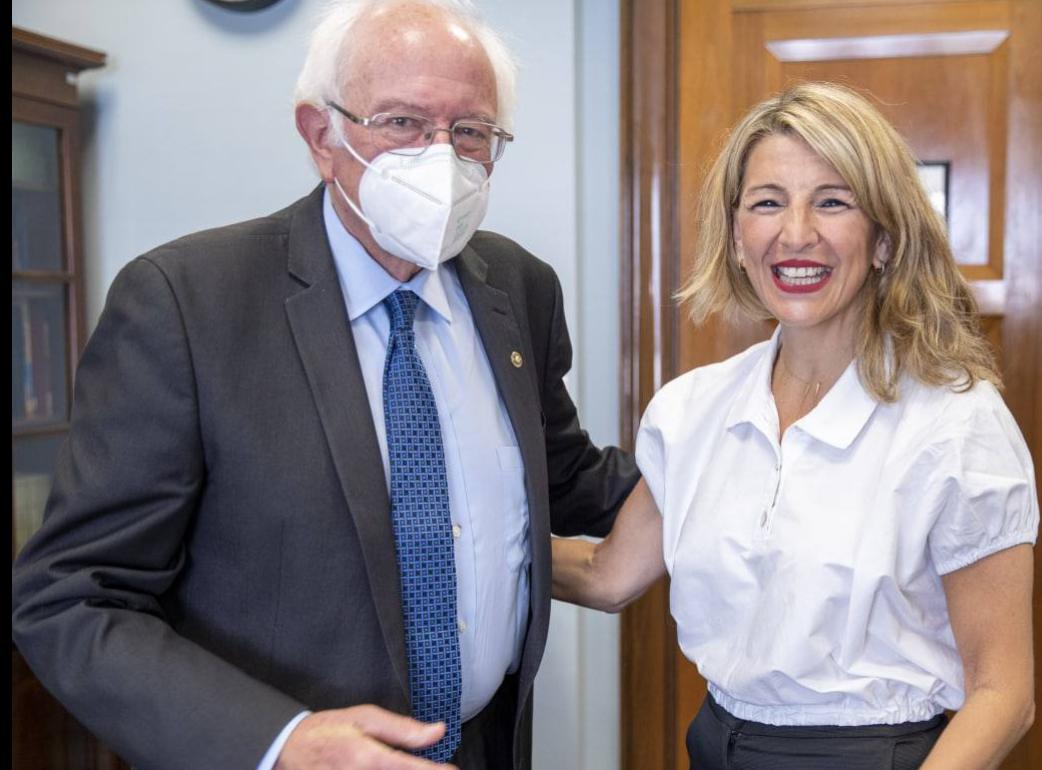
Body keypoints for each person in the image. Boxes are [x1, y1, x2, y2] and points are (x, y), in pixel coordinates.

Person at [10, 1, 638, 769]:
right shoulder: (187, 303)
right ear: (321, 136)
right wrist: (278, 743)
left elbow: (564, 474)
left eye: (470, 131)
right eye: (403, 122)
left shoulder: (518, 287)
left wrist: (735, 434)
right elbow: (74, 596)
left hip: (481, 747)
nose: (441, 158)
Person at [553, 82, 1038, 769]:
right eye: (768, 202)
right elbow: (608, 574)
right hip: (718, 745)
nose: (796, 232)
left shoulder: (957, 424)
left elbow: (1004, 691)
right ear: (737, 235)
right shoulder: (692, 410)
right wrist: (458, 552)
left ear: (885, 240)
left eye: (833, 201)